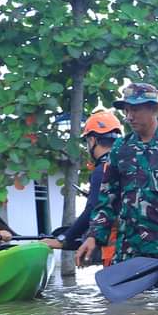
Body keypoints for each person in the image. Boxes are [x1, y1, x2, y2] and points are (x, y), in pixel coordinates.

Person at [75, 83, 158, 289]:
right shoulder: (120, 148)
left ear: (154, 109)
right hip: (130, 250)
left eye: (136, 109)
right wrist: (94, 236)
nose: (129, 116)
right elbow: (106, 199)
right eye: (126, 110)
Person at [41, 111, 123, 265]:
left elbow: (93, 208)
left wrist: (64, 238)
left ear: (92, 140)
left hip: (115, 250)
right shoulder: (125, 165)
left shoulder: (102, 170)